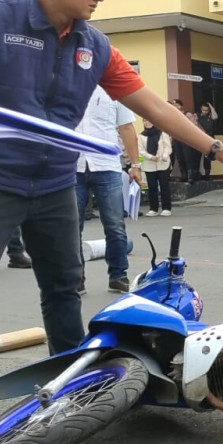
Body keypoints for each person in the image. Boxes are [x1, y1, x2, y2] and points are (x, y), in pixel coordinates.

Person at [0, 0, 223, 431]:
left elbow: (152, 105)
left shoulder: (94, 45)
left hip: (52, 182)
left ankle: (73, 388)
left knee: (64, 286)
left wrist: (216, 149)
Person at [74, 86, 143, 295]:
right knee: (70, 227)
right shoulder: (66, 82)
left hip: (107, 166)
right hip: (71, 165)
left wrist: (135, 164)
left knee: (115, 225)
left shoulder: (114, 89)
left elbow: (127, 128)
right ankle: (76, 279)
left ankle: (118, 276)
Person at [139, 119, 173, 217]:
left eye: (149, 121)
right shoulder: (141, 136)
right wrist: (150, 157)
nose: (147, 123)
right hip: (149, 164)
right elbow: (141, 150)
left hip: (163, 163)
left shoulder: (162, 133)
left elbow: (168, 147)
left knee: (164, 185)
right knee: (152, 187)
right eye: (145, 121)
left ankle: (166, 208)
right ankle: (153, 208)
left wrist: (165, 155)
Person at [197, 102, 217, 180]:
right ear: (201, 110)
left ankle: (207, 174)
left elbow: (215, 116)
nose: (205, 111)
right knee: (197, 157)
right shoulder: (198, 117)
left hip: (210, 138)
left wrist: (211, 107)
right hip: (199, 138)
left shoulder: (211, 117)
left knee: (208, 158)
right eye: (203, 110)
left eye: (206, 110)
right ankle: (196, 174)